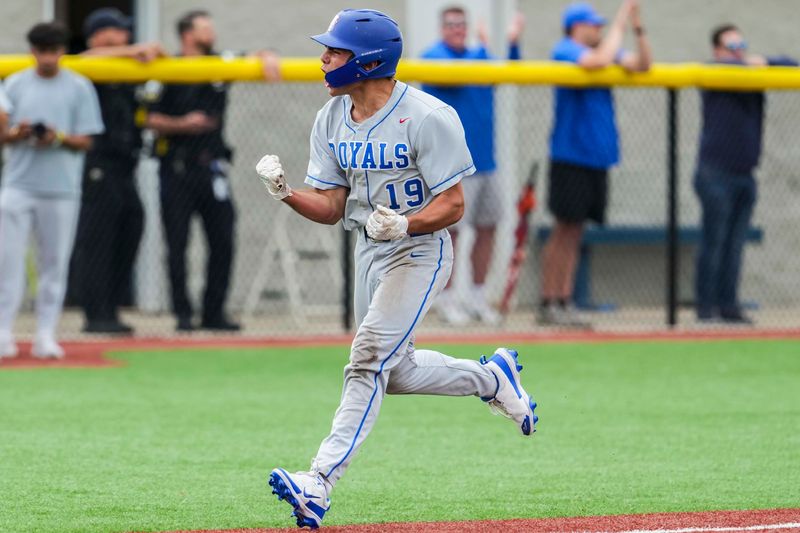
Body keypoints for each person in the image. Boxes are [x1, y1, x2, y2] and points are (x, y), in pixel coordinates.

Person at [255, 9, 538, 529]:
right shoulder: (332, 116)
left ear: (367, 61)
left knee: (366, 359)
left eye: (335, 51)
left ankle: (318, 482)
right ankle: (491, 380)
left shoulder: (429, 116)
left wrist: (406, 225)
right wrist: (287, 194)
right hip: (369, 249)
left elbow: (454, 205)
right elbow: (332, 206)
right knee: (396, 370)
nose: (323, 59)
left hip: (421, 251)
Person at [146, 11, 278, 332]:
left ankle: (214, 312)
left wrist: (267, 56)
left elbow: (252, 57)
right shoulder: (166, 69)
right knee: (177, 244)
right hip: (175, 168)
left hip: (212, 167)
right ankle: (183, 315)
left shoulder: (221, 64)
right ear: (187, 34)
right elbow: (147, 117)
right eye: (205, 28)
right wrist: (183, 124)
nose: (212, 33)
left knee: (223, 240)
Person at [538, 0, 651, 327]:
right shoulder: (565, 49)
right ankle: (550, 301)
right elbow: (596, 61)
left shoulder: (605, 52)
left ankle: (565, 299)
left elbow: (643, 64)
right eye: (594, 25)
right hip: (570, 155)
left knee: (577, 231)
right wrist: (619, 23)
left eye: (602, 26)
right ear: (577, 26)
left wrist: (637, 28)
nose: (599, 30)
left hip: (596, 158)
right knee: (563, 229)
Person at [0, 22, 103, 359]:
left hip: (61, 189)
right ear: (32, 51)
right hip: (18, 185)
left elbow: (87, 139)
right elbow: (3, 135)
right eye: (41, 50)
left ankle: (45, 335)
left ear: (62, 51)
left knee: (54, 264)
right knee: (7, 262)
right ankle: (4, 333)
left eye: (53, 50)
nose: (47, 57)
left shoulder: (79, 86)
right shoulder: (13, 83)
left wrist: (57, 137)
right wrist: (20, 132)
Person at [421, 7, 524, 326]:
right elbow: (460, 75)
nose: (457, 29)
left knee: (488, 227)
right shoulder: (433, 56)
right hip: (450, 165)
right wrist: (484, 50)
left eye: (462, 24)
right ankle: (447, 299)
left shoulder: (479, 57)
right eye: (451, 24)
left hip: (485, 161)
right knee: (450, 233)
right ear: (442, 28)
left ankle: (478, 296)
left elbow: (508, 73)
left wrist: (511, 45)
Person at [70, 8, 166, 335]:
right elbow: (86, 58)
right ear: (101, 34)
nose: (126, 38)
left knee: (130, 228)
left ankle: (111, 309)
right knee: (98, 238)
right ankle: (95, 315)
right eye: (119, 32)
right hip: (98, 163)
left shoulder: (127, 70)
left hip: (127, 165)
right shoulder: (93, 64)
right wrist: (133, 51)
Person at [694, 25, 797, 324]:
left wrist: (763, 60)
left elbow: (791, 66)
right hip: (715, 174)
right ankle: (706, 309)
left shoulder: (755, 72)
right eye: (731, 46)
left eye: (742, 45)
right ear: (717, 50)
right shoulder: (713, 72)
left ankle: (729, 307)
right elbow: (724, 69)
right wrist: (742, 64)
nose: (738, 51)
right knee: (714, 243)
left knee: (735, 245)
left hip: (745, 174)